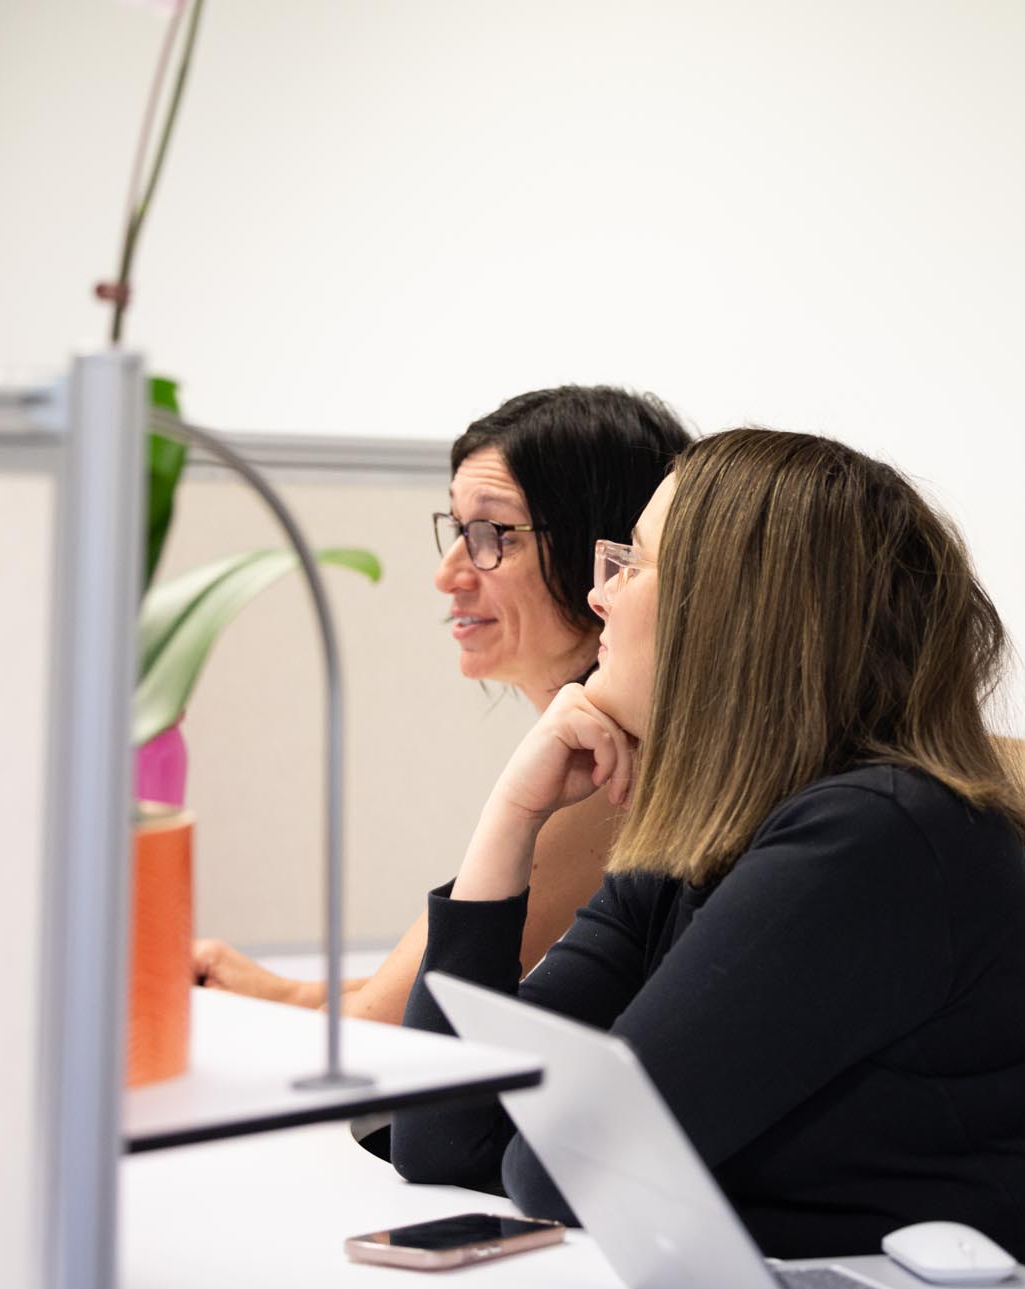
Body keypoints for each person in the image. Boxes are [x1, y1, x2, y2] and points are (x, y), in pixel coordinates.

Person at [391, 428, 1025, 1268]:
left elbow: (565, 1171)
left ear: (727, 615)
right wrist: (511, 815)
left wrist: (561, 1135)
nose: (601, 597)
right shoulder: (701, 838)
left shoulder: (874, 839)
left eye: (633, 564)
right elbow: (441, 1136)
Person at [192, 385, 690, 1023]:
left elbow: (396, 1024)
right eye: (457, 531)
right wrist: (281, 992)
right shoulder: (593, 742)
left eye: (491, 534)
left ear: (599, 543)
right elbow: (424, 986)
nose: (449, 572)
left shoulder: (607, 770)